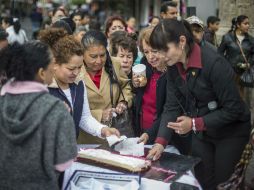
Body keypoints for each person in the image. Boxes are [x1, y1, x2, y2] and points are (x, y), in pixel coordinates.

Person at [147, 19, 251, 190]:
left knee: (223, 183)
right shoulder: (173, 66)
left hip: (231, 131)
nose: (162, 56)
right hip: (202, 131)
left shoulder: (214, 63)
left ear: (181, 42)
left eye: (165, 50)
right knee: (202, 180)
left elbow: (234, 109)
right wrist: (160, 141)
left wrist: (194, 123)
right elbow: (171, 106)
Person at [0, 41, 77, 189]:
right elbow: (64, 162)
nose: (54, 69)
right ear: (42, 73)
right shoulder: (56, 110)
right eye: (52, 65)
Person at [38, 28, 119, 140]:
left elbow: (84, 117)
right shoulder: (43, 87)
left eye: (80, 67)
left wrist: (102, 129)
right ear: (55, 64)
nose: (76, 73)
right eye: (71, 68)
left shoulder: (78, 83)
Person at [77, 30, 133, 144]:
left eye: (102, 55)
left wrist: (123, 102)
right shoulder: (75, 71)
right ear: (82, 54)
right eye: (93, 56)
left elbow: (126, 86)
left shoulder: (114, 64)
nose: (98, 61)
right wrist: (100, 114)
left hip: (114, 135)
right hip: (86, 139)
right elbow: (74, 109)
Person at [218, 15, 254, 101]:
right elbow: (219, 53)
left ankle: (243, 111)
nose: (248, 26)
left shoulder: (251, 40)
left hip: (245, 73)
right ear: (238, 25)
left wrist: (250, 63)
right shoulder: (227, 37)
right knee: (230, 95)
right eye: (245, 24)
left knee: (243, 97)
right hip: (231, 72)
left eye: (249, 24)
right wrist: (226, 65)